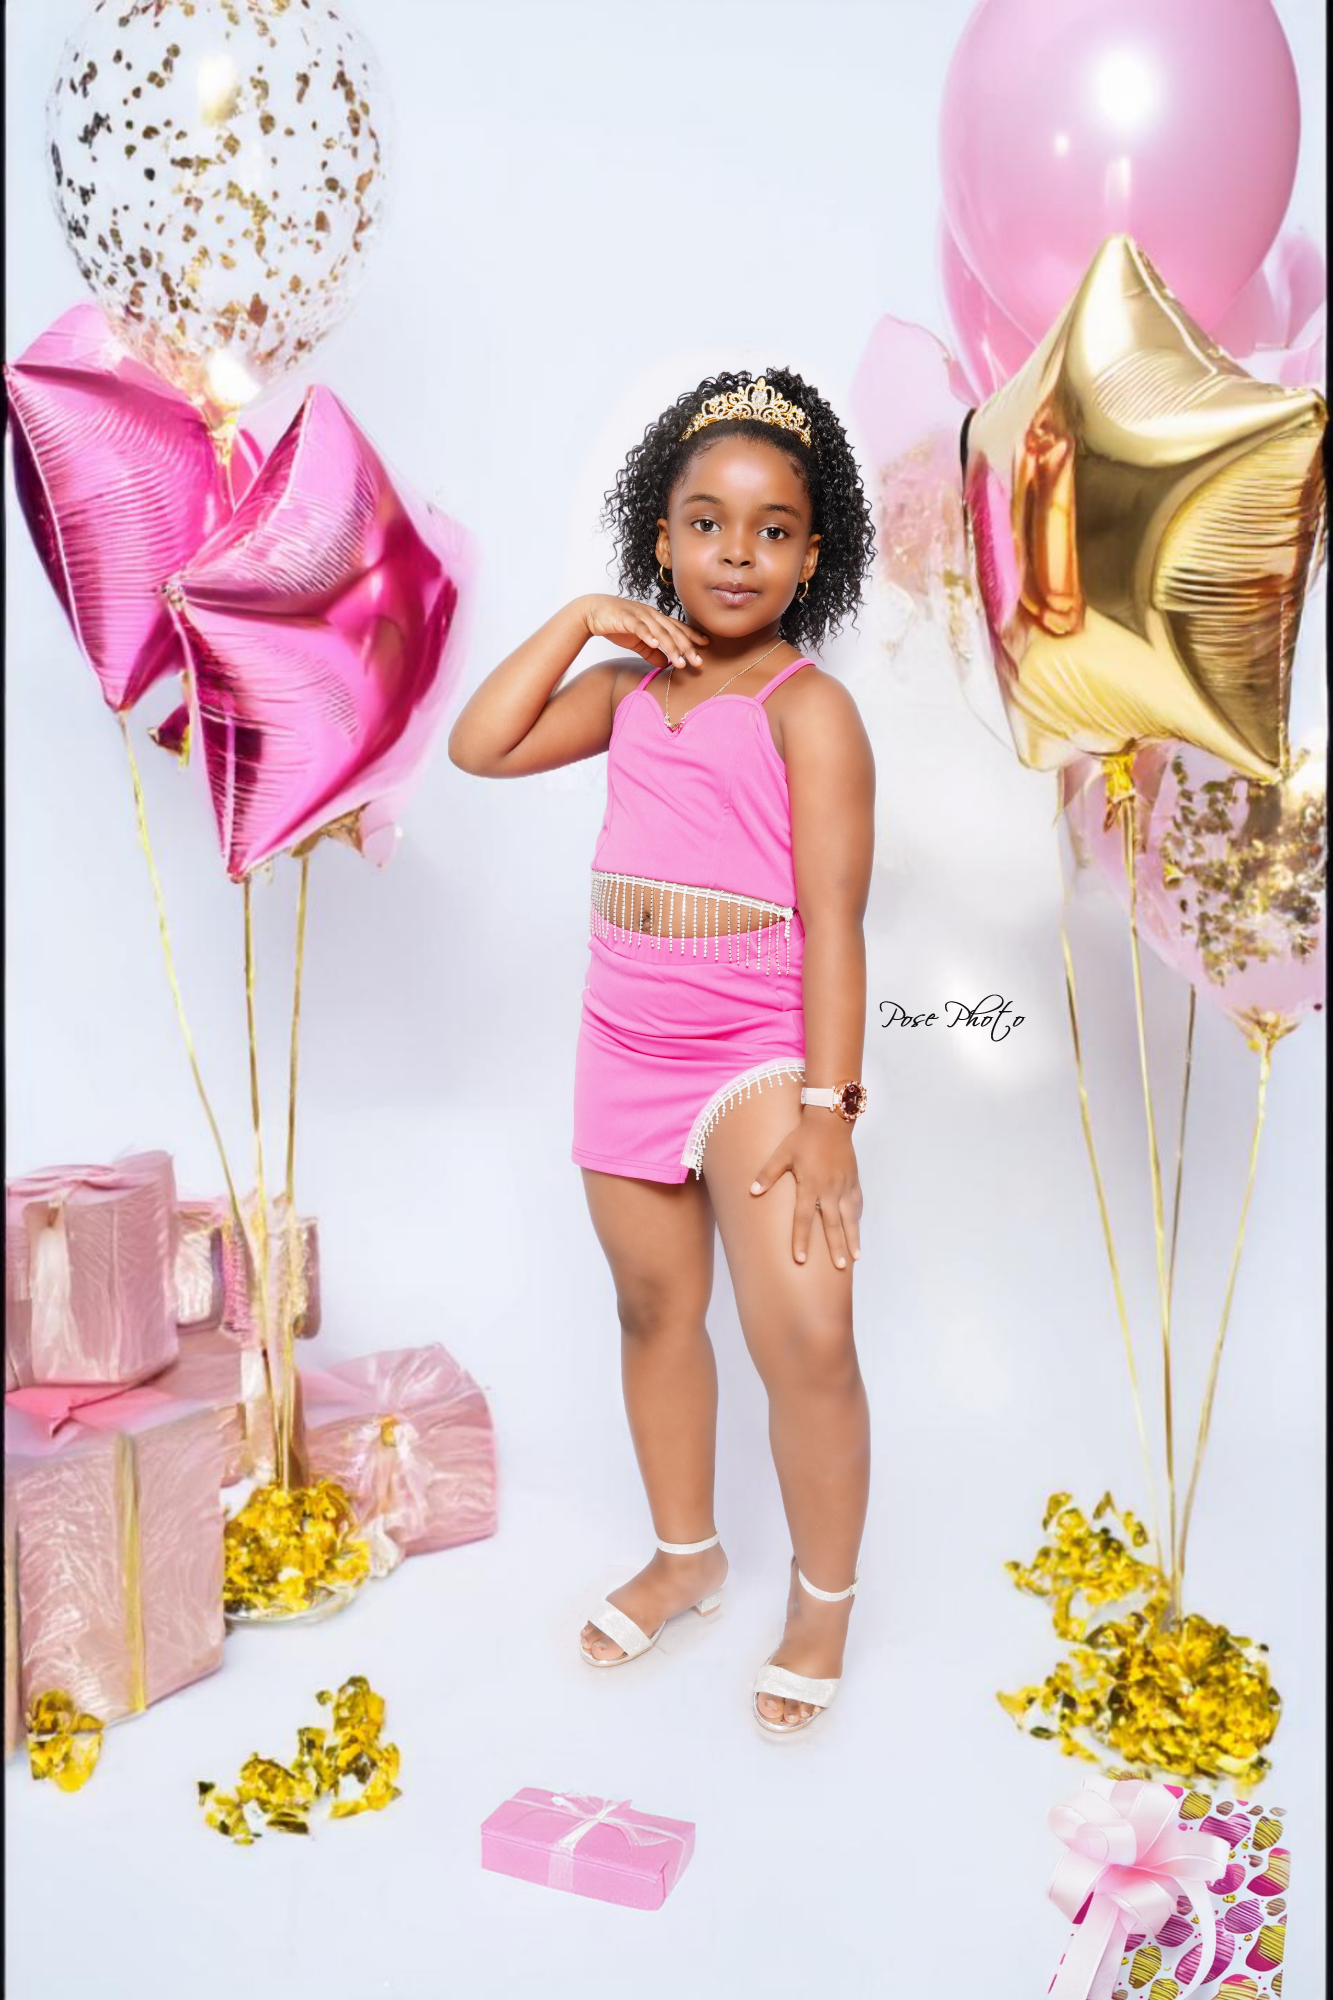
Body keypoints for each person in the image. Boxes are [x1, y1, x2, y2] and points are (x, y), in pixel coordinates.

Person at [448, 369, 876, 1733]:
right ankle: (689, 1557)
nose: (736, 554)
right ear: (662, 537)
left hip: (756, 1046)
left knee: (804, 1332)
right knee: (652, 1308)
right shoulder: (630, 686)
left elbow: (836, 923)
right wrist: (582, 617)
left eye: (770, 530)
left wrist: (829, 1111)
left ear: (812, 555)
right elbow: (477, 746)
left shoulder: (810, 711)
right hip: (623, 1031)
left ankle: (823, 1597)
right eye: (707, 523)